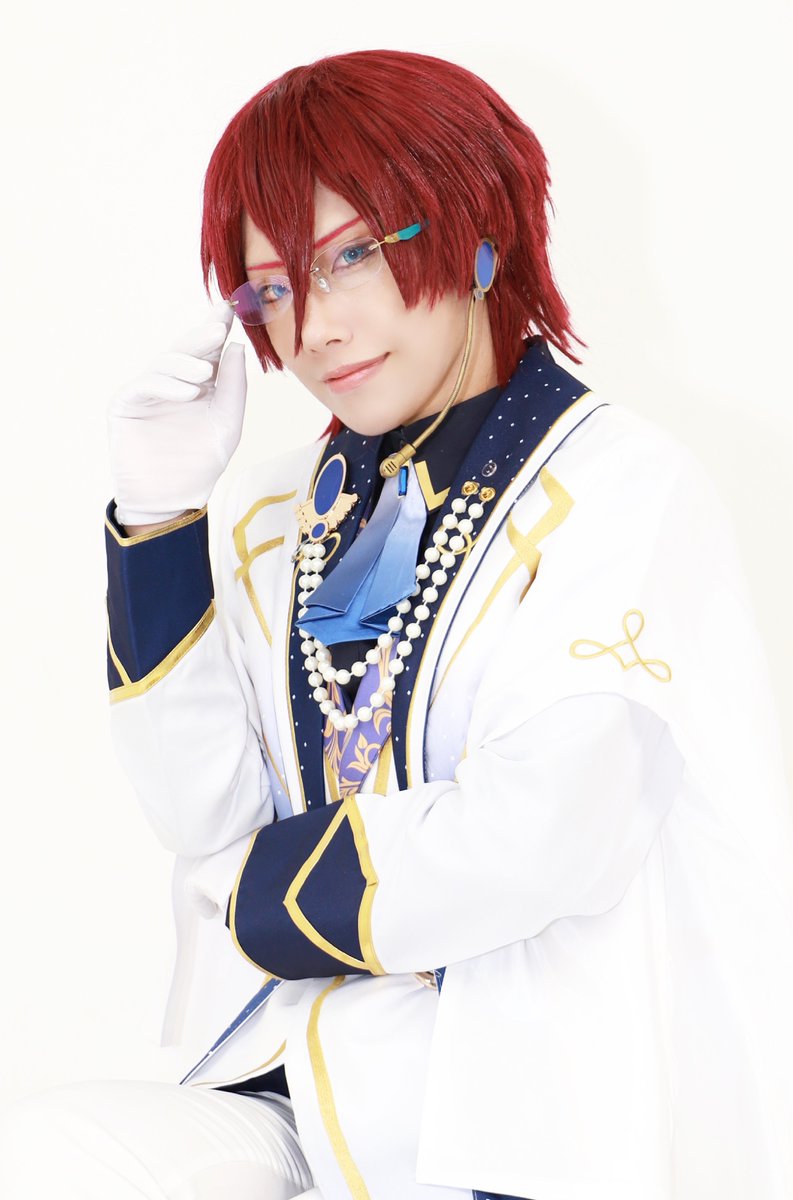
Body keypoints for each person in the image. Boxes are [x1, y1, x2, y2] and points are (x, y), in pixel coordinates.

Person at [3, 47, 793, 1200]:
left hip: (529, 1115)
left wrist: (247, 897)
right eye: (273, 289)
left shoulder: (621, 489)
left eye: (351, 257)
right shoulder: (281, 511)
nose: (313, 328)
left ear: (479, 228)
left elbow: (538, 835)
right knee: (48, 1158)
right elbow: (201, 811)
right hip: (310, 1089)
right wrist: (160, 520)